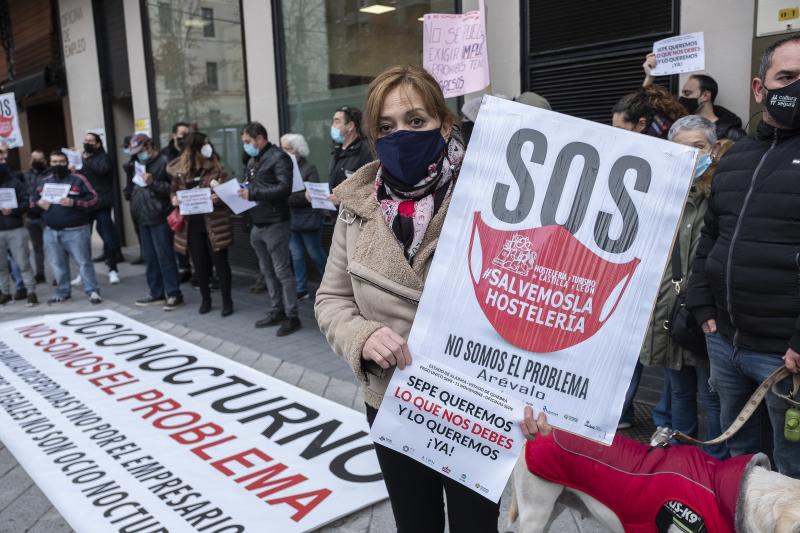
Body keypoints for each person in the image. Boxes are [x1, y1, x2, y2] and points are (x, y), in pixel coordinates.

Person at [315, 65, 499, 532]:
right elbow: (331, 299)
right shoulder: (356, 207)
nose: (401, 135)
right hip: (393, 401)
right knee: (415, 523)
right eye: (386, 127)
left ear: (445, 124)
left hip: (476, 408)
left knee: (476, 527)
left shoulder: (493, 198)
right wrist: (362, 335)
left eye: (416, 121)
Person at [687, 35, 800, 479]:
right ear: (759, 88)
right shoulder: (734, 160)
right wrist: (701, 302)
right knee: (740, 461)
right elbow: (711, 235)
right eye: (787, 77)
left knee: (791, 472)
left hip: (785, 357)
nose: (796, 87)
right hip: (726, 342)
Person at [634, 115, 727, 459]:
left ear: (714, 149)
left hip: (706, 312)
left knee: (713, 395)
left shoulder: (724, 194)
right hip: (668, 311)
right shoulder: (659, 194)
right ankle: (680, 461)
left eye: (698, 147)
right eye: (681, 149)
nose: (691, 156)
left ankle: (713, 464)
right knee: (679, 391)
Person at [611, 85, 688, 427]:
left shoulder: (667, 157)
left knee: (662, 344)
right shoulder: (645, 150)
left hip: (662, 265)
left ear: (641, 124)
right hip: (640, 258)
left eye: (621, 128)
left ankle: (660, 420)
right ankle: (636, 414)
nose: (616, 136)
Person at [237, 122, 300, 336]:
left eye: (247, 141)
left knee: (282, 271)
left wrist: (252, 193)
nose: (245, 146)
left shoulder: (279, 157)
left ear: (260, 139)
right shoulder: (254, 160)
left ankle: (292, 315)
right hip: (258, 221)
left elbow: (284, 188)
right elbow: (251, 184)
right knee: (267, 271)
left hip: (275, 222)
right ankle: (277, 309)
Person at [168, 132, 234, 316]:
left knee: (221, 264)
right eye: (204, 143)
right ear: (194, 148)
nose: (208, 146)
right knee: (199, 265)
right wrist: (174, 199)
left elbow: (228, 192)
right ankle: (206, 300)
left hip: (215, 224)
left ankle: (227, 301)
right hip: (192, 226)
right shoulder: (181, 171)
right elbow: (173, 191)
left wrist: (218, 197)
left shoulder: (216, 167)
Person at [31, 151, 101, 304]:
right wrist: (38, 204)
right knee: (57, 264)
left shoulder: (78, 179)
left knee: (83, 262)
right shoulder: (44, 182)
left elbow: (94, 199)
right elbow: (33, 201)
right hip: (51, 231)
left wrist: (74, 202)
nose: (58, 165)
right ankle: (63, 292)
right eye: (54, 162)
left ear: (67, 162)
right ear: (49, 163)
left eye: (61, 162)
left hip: (76, 230)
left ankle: (92, 291)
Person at [127, 134, 184, 311]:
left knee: (165, 257)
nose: (139, 154)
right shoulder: (139, 163)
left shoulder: (165, 162)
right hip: (143, 216)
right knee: (150, 258)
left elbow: (174, 189)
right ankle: (156, 292)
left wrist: (153, 183)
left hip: (160, 216)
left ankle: (173, 293)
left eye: (141, 150)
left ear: (149, 145)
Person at [643, 55, 747, 141]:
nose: (683, 98)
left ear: (705, 96)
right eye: (683, 93)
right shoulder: (677, 125)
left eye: (687, 93)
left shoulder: (730, 133)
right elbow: (641, 107)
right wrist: (649, 77)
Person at [281, 133, 327, 301]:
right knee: (296, 255)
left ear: (297, 150)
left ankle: (331, 283)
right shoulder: (283, 168)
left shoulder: (309, 168)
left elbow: (313, 195)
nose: (285, 152)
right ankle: (301, 288)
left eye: (288, 149)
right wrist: (299, 196)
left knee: (314, 253)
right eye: (283, 149)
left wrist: (290, 197)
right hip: (292, 219)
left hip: (309, 219)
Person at [81, 132, 122, 284]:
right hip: (86, 203)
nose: (87, 143)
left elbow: (102, 171)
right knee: (84, 238)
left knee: (107, 236)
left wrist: (86, 161)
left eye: (91, 141)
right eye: (85, 140)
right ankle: (83, 271)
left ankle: (112, 269)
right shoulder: (84, 158)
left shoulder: (104, 158)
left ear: (98, 144)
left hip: (102, 203)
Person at [0, 159, 37, 305]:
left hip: (15, 228)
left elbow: (27, 202)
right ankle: (5, 292)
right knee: (1, 266)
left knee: (23, 262)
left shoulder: (15, 183)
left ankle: (31, 291)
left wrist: (13, 210)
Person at [161, 121, 193, 283]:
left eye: (188, 135)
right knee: (179, 237)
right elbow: (165, 180)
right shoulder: (166, 155)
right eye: (182, 135)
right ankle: (184, 268)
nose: (185, 138)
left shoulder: (193, 150)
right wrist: (173, 195)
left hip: (193, 201)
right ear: (174, 136)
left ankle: (199, 270)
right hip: (175, 203)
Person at [328, 105, 373, 205]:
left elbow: (371, 186)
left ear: (350, 126)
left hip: (354, 212)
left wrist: (345, 200)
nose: (333, 126)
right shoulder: (336, 150)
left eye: (337, 122)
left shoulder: (366, 150)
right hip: (335, 212)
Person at [23, 150, 48, 283]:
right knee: (37, 248)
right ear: (30, 160)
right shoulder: (25, 175)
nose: (37, 162)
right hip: (31, 216)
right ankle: (40, 273)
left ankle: (57, 276)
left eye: (40, 159)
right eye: (34, 159)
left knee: (51, 247)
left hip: (47, 216)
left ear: (45, 160)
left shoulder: (51, 174)